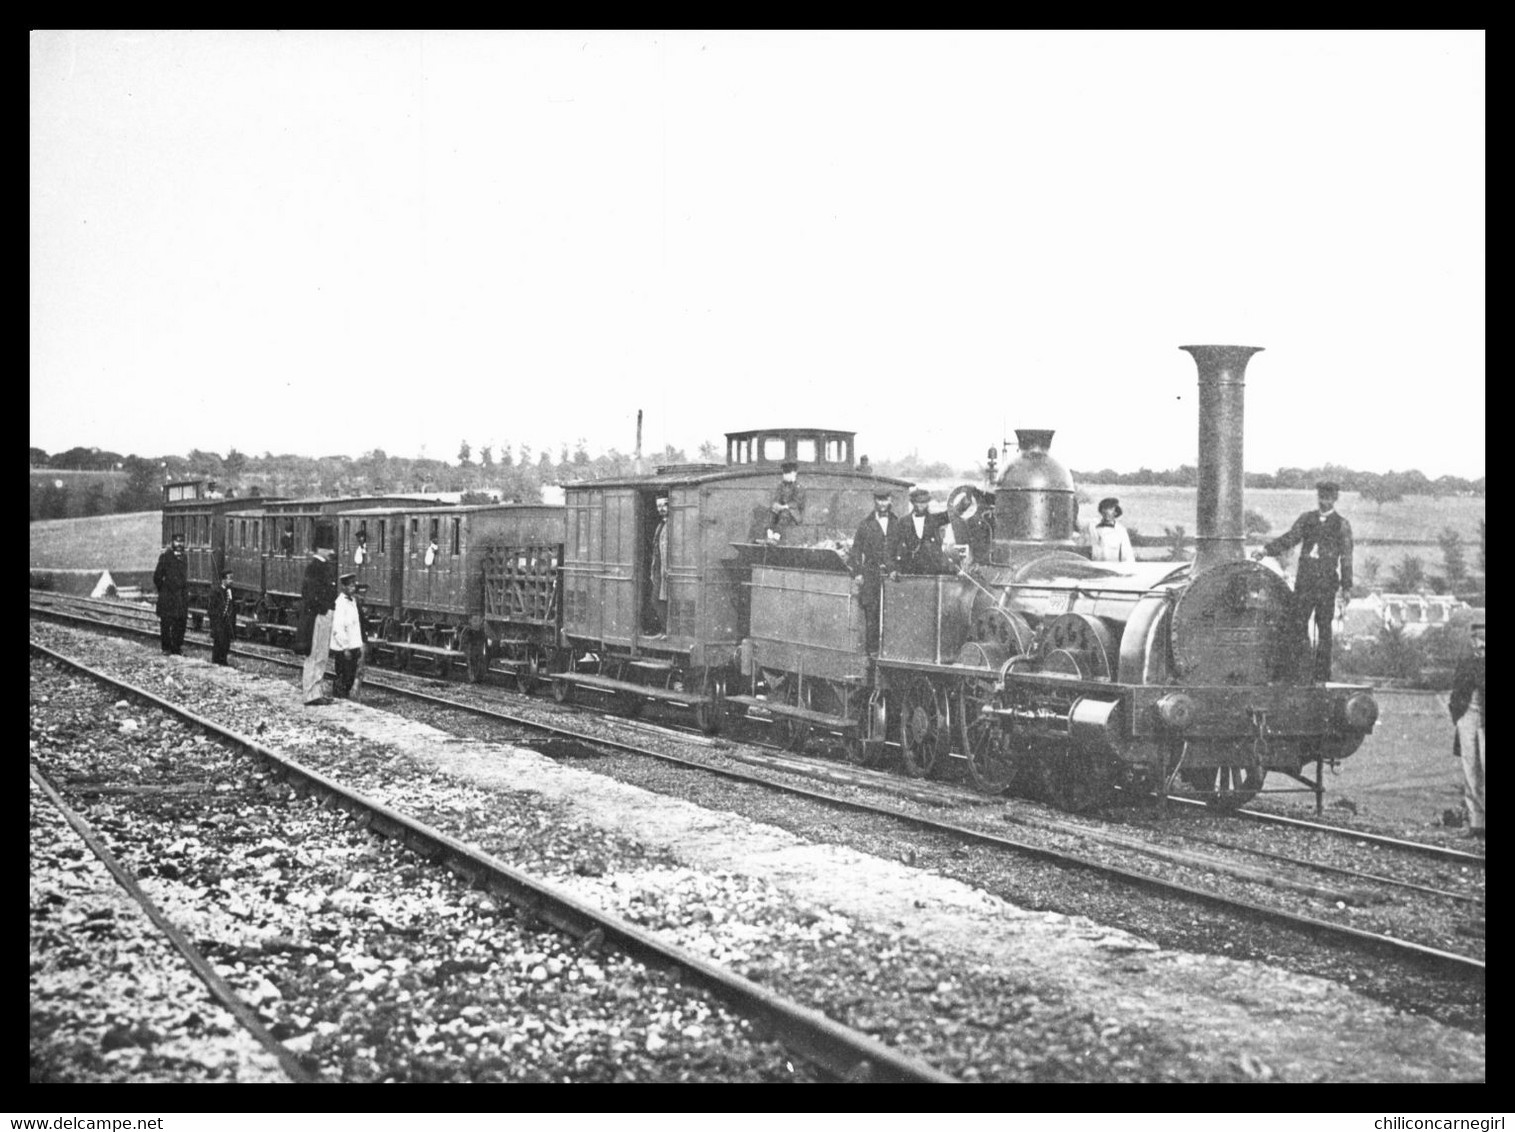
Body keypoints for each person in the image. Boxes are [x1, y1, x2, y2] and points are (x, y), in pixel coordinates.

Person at [1254, 481, 1354, 682]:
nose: (1324, 501)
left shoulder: (1342, 525)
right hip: (1305, 582)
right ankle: (1296, 670)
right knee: (1296, 624)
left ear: (1335, 499)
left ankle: (1322, 675)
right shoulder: (1306, 519)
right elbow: (1291, 538)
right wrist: (1266, 550)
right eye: (1321, 497)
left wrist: (1346, 587)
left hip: (1326, 584)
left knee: (1324, 627)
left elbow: (1346, 557)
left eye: (1328, 498)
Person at [847, 488, 896, 655]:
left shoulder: (898, 522)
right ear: (875, 501)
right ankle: (873, 654)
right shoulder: (865, 524)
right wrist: (858, 572)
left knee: (894, 612)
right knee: (872, 614)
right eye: (879, 500)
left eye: (885, 500)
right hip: (871, 575)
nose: (882, 503)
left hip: (892, 576)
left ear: (890, 500)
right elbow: (855, 550)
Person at [1449, 618, 1485, 839]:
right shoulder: (1466, 660)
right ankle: (1476, 823)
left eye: (1481, 637)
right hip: (1467, 716)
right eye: (1476, 638)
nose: (1478, 642)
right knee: (1469, 767)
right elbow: (1457, 686)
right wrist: (1457, 713)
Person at [297, 544, 338, 705]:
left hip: (323, 614)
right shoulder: (314, 567)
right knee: (314, 655)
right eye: (329, 548)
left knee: (321, 656)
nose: (332, 551)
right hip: (317, 616)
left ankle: (316, 691)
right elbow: (310, 594)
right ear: (320, 548)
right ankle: (310, 693)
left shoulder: (322, 566)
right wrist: (323, 608)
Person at [892, 486, 952, 576]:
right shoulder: (904, 522)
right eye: (918, 502)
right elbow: (896, 545)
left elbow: (952, 514)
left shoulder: (934, 519)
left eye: (924, 502)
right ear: (913, 503)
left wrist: (966, 501)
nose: (921, 505)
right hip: (910, 568)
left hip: (932, 568)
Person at [330, 573, 367, 699]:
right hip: (344, 648)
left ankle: (344, 699)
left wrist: (360, 644)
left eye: (354, 585)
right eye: (350, 585)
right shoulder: (340, 603)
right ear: (344, 587)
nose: (353, 588)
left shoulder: (353, 602)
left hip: (353, 646)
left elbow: (356, 626)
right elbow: (338, 628)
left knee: (350, 676)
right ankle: (339, 699)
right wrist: (345, 647)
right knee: (343, 676)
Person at [152, 532, 190, 656]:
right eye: (177, 541)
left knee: (180, 623)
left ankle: (177, 647)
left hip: (180, 597)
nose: (179, 544)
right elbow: (157, 577)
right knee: (166, 623)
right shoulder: (165, 557)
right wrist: (164, 590)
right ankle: (166, 648)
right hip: (168, 597)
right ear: (172, 543)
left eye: (181, 541)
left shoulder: (184, 558)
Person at [767, 461, 807, 540]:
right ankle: (770, 533)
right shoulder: (781, 485)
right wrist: (776, 505)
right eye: (784, 473)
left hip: (795, 513)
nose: (785, 475)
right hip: (783, 509)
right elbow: (777, 497)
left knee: (785, 514)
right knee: (772, 512)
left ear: (794, 473)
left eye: (788, 473)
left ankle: (776, 536)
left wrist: (784, 507)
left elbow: (796, 503)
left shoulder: (799, 487)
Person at [1088, 497, 1135, 563]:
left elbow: (1128, 556)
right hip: (1095, 568)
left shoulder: (1120, 530)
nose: (1106, 511)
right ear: (1101, 511)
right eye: (1104, 508)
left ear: (1115, 512)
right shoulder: (1093, 527)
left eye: (1110, 509)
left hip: (1113, 568)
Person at [648, 495, 670, 637]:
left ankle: (666, 630)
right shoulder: (661, 525)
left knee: (664, 600)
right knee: (656, 600)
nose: (661, 509)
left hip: (666, 570)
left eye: (664, 505)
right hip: (659, 569)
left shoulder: (671, 525)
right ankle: (663, 629)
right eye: (658, 506)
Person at [208, 568, 237, 666]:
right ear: (223, 580)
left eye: (232, 578)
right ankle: (217, 661)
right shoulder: (216, 591)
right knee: (219, 642)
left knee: (226, 643)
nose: (231, 581)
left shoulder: (230, 591)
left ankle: (223, 660)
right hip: (219, 621)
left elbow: (232, 606)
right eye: (229, 579)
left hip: (227, 622)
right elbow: (212, 608)